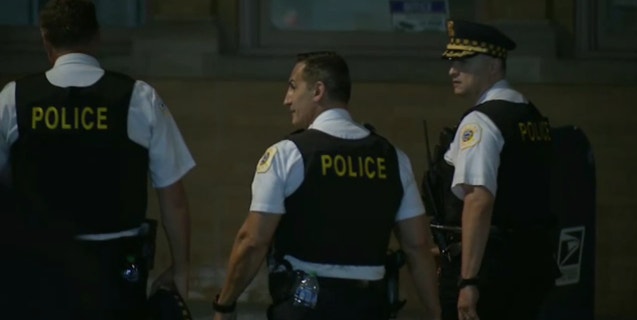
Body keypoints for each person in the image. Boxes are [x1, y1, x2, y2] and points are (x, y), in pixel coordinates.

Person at [212, 51, 442, 320]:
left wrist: (225, 304)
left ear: (318, 91)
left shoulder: (288, 154)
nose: (287, 100)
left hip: (305, 305)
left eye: (293, 87)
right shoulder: (393, 159)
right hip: (370, 307)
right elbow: (418, 246)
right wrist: (437, 312)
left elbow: (253, 240)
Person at [0, 0, 193, 318]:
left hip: (35, 272)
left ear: (45, 39)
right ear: (96, 37)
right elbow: (174, 199)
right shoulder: (138, 98)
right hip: (114, 274)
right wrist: (182, 268)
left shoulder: (13, 99)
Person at [427, 19, 560, 320]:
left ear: (493, 65)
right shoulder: (530, 115)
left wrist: (468, 280)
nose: (452, 70)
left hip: (489, 270)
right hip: (531, 262)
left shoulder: (482, 121)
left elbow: (479, 199)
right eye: (452, 62)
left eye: (463, 61)